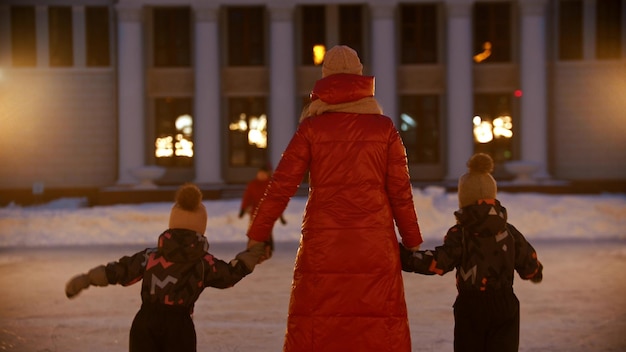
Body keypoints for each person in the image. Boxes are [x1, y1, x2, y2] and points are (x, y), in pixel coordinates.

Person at [246, 45, 424, 352]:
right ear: (360, 78)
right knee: (377, 328)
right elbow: (400, 191)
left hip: (324, 245)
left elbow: (280, 186)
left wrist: (258, 234)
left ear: (325, 79)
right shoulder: (384, 129)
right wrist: (411, 239)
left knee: (320, 327)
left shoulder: (312, 128)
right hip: (374, 246)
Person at [65, 183, 265, 352]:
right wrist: (253, 254)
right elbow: (230, 275)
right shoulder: (203, 263)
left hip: (145, 324)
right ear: (201, 228)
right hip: (179, 328)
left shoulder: (151, 256)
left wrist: (88, 278)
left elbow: (120, 270)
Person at [399, 153, 543, 352]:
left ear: (464, 201)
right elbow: (529, 263)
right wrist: (535, 271)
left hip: (471, 307)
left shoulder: (461, 234)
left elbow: (438, 262)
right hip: (505, 303)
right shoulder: (509, 232)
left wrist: (404, 258)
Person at [238, 166, 286, 258]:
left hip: (268, 212)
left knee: (267, 230)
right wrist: (243, 210)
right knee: (253, 229)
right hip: (255, 212)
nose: (261, 176)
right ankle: (251, 247)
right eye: (260, 174)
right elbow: (247, 197)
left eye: (263, 174)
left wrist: (281, 216)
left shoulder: (271, 185)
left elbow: (277, 200)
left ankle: (268, 248)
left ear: (267, 175)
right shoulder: (253, 184)